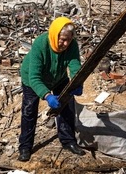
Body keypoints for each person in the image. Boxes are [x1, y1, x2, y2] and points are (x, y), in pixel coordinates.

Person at [17, 16, 85, 162]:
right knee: (29, 110)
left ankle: (68, 141)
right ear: (54, 35)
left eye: (69, 39)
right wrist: (47, 96)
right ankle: (25, 147)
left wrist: (77, 82)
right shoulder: (41, 44)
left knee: (67, 106)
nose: (66, 43)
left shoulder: (72, 45)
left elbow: (74, 66)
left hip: (58, 77)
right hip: (32, 79)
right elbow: (34, 77)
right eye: (62, 39)